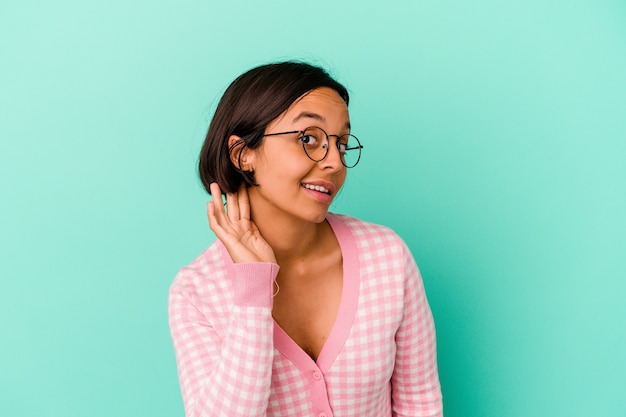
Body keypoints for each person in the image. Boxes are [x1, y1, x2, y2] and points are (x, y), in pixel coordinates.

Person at [168, 61, 443, 417]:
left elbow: (419, 404)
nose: (334, 162)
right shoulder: (196, 292)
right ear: (243, 154)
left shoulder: (387, 257)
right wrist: (253, 288)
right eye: (308, 138)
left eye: (341, 144)